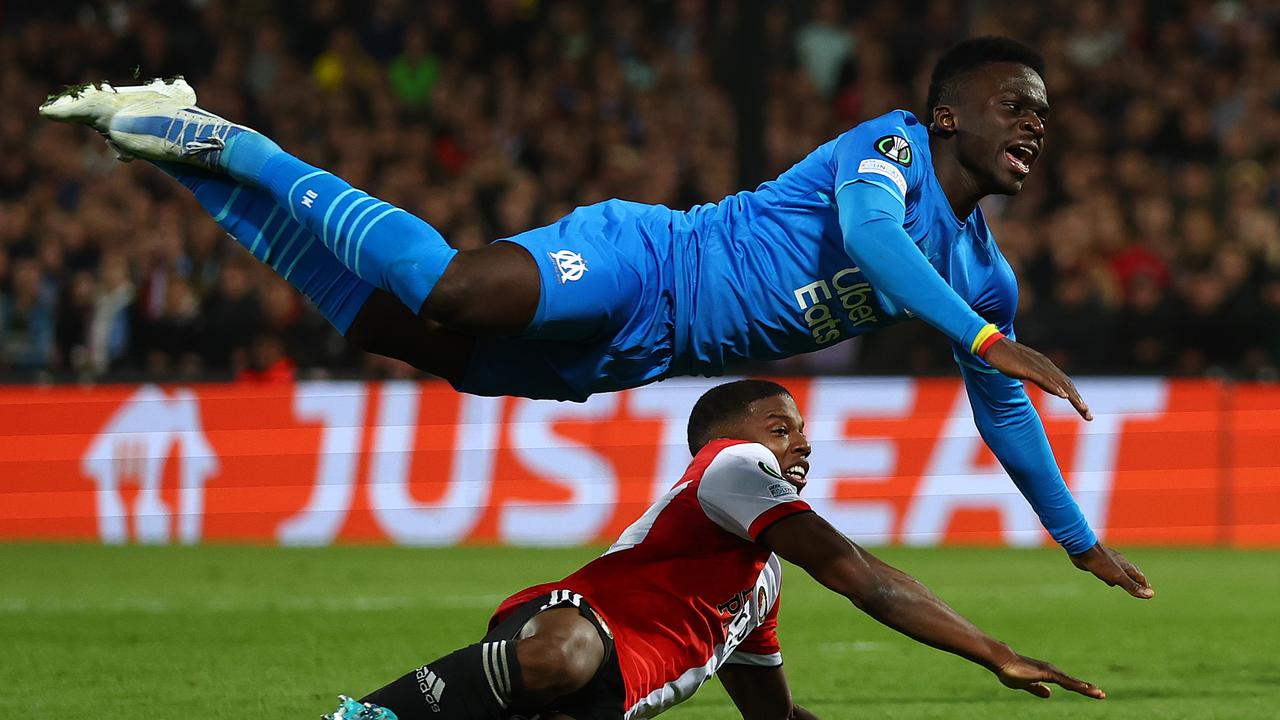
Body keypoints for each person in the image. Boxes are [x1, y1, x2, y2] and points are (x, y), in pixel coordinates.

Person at [39, 37, 1153, 597]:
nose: (1033, 126)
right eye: (1016, 107)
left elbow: (1001, 409)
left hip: (642, 349)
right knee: (449, 288)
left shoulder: (983, 273)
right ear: (948, 114)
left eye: (1044, 116)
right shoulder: (891, 152)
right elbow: (870, 245)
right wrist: (984, 337)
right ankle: (242, 147)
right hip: (643, 261)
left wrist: (1077, 538)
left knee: (392, 332)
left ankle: (182, 157)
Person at [321, 379, 1108, 720]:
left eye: (801, 430)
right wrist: (992, 651)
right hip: (563, 624)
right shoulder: (730, 471)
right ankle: (374, 712)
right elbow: (861, 577)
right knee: (565, 658)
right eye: (781, 427)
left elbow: (772, 711)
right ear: (726, 442)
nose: (801, 443)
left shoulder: (757, 588)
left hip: (600, 701)